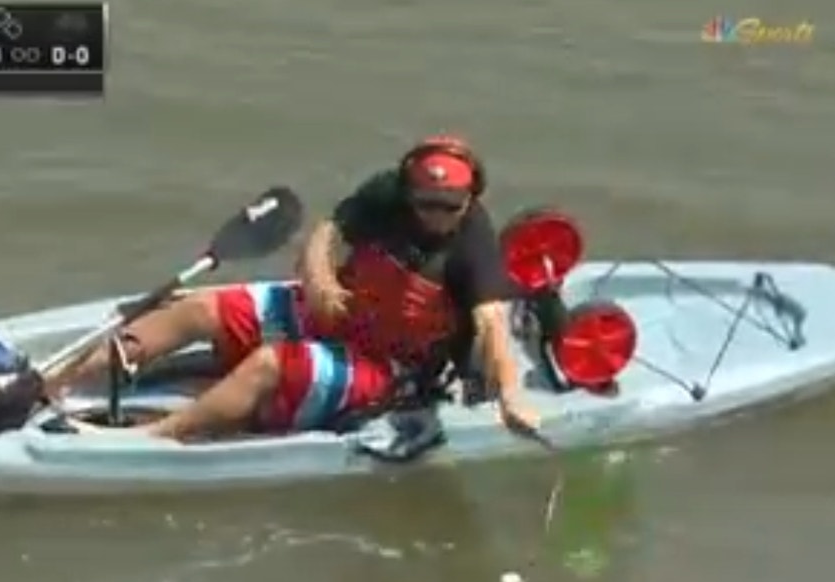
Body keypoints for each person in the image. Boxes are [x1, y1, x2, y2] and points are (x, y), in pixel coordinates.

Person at [46, 135, 540, 439]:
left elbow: (491, 321)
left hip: (390, 366)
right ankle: (54, 384)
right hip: (338, 310)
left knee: (267, 364)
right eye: (424, 203)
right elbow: (327, 231)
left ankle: (158, 437)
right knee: (199, 308)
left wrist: (512, 392)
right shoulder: (388, 191)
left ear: (469, 198)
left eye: (448, 206)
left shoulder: (474, 246)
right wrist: (320, 276)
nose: (435, 215)